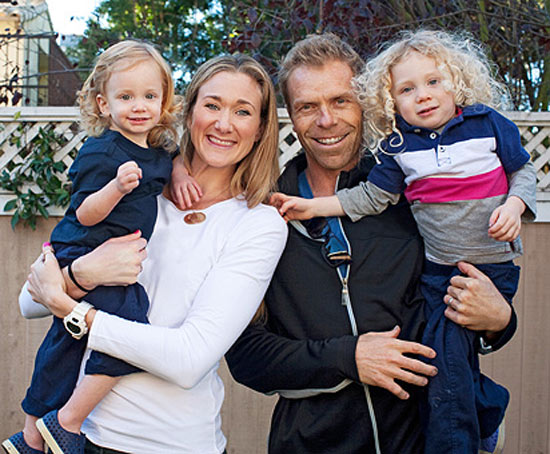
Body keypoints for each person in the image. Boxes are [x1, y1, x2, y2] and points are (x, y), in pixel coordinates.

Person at [225, 33, 520, 454]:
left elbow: (474, 300)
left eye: (341, 101)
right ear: (291, 114)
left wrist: (499, 321)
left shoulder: (417, 193)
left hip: (419, 439)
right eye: (308, 106)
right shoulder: (261, 213)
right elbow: (246, 358)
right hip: (309, 444)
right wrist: (348, 358)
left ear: (365, 102)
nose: (326, 120)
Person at [11, 54, 288, 454]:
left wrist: (69, 307)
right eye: (212, 105)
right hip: (76, 437)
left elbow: (189, 359)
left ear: (261, 128)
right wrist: (82, 275)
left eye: (242, 111)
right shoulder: (132, 188)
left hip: (169, 444)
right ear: (188, 110)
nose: (224, 123)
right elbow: (28, 301)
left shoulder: (258, 224)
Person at [3, 40, 183, 454]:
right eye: (126, 97)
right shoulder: (102, 151)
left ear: (163, 100)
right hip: (83, 248)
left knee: (72, 341)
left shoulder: (157, 153)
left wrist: (179, 180)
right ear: (104, 105)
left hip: (111, 262)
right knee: (127, 332)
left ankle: (33, 435)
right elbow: (84, 212)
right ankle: (65, 423)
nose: (139, 106)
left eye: (150, 96)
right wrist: (115, 188)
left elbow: (166, 174)